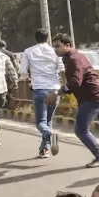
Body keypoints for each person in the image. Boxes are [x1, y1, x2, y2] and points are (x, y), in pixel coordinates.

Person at [51, 33, 99, 168]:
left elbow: (75, 82)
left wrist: (57, 93)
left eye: (58, 46)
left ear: (68, 45)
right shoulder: (70, 57)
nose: (55, 49)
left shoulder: (73, 58)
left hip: (92, 98)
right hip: (98, 95)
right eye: (54, 47)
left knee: (80, 130)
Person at [20, 29, 64, 158]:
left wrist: (28, 77)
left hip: (39, 89)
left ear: (35, 39)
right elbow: (61, 69)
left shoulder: (28, 51)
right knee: (48, 121)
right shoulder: (54, 51)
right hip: (55, 90)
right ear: (48, 38)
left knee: (40, 122)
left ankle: (49, 137)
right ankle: (44, 149)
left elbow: (22, 70)